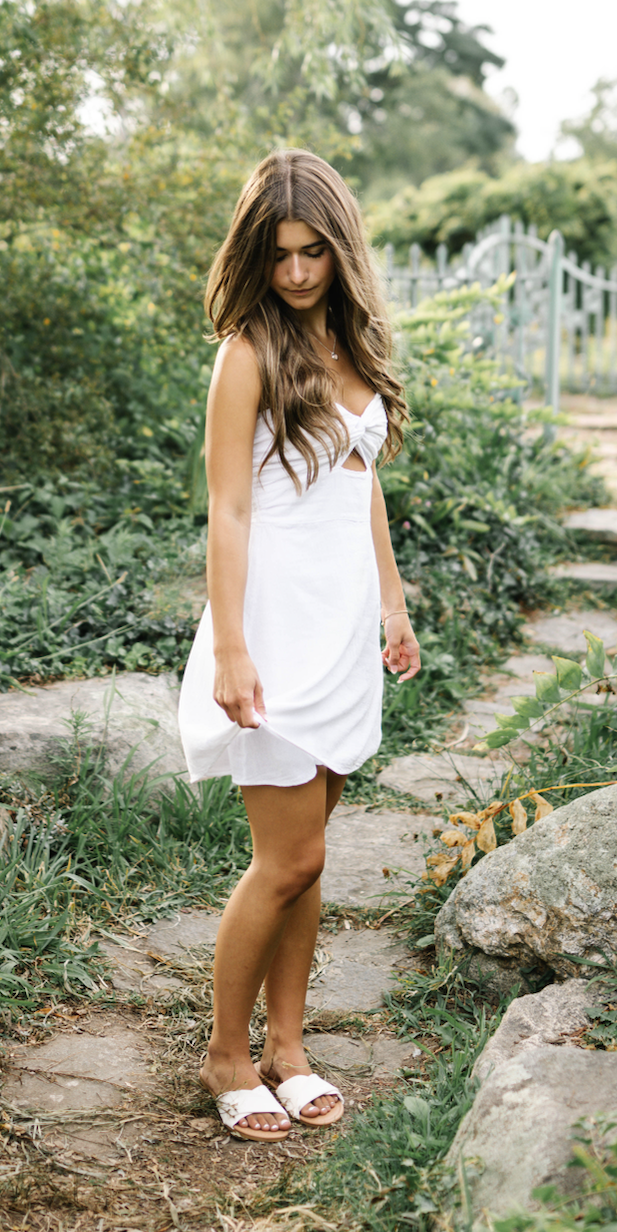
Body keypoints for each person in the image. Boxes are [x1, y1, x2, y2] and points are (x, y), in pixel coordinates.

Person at [178, 149, 421, 1141]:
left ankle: (288, 1045)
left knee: (310, 859)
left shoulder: (353, 347)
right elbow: (229, 509)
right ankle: (225, 1053)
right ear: (254, 252)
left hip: (339, 628)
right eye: (277, 254)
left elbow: (359, 484)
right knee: (284, 858)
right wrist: (231, 646)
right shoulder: (244, 352)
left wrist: (393, 605)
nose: (294, 273)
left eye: (312, 251)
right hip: (271, 627)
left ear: (340, 248)